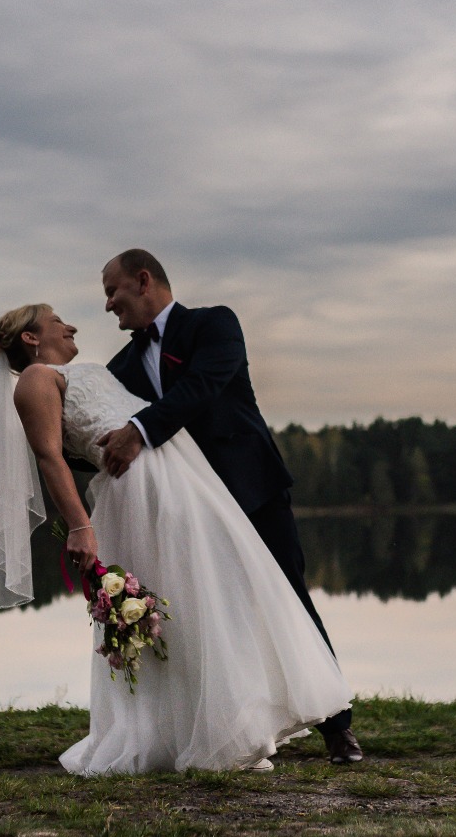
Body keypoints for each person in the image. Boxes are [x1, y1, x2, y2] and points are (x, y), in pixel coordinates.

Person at [0, 302, 353, 774]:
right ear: (32, 339)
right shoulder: (37, 380)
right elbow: (50, 457)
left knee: (211, 600)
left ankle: (221, 727)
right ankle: (187, 734)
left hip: (184, 479)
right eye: (57, 321)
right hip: (144, 492)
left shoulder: (84, 371)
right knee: (182, 606)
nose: (71, 325)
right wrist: (80, 526)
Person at [95, 249, 362, 765]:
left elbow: (202, 387)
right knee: (210, 617)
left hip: (251, 490)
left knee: (289, 598)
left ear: (143, 280)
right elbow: (103, 426)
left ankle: (338, 728)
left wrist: (140, 431)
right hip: (188, 511)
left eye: (112, 291)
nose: (108, 305)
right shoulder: (120, 367)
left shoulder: (215, 324)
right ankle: (229, 728)